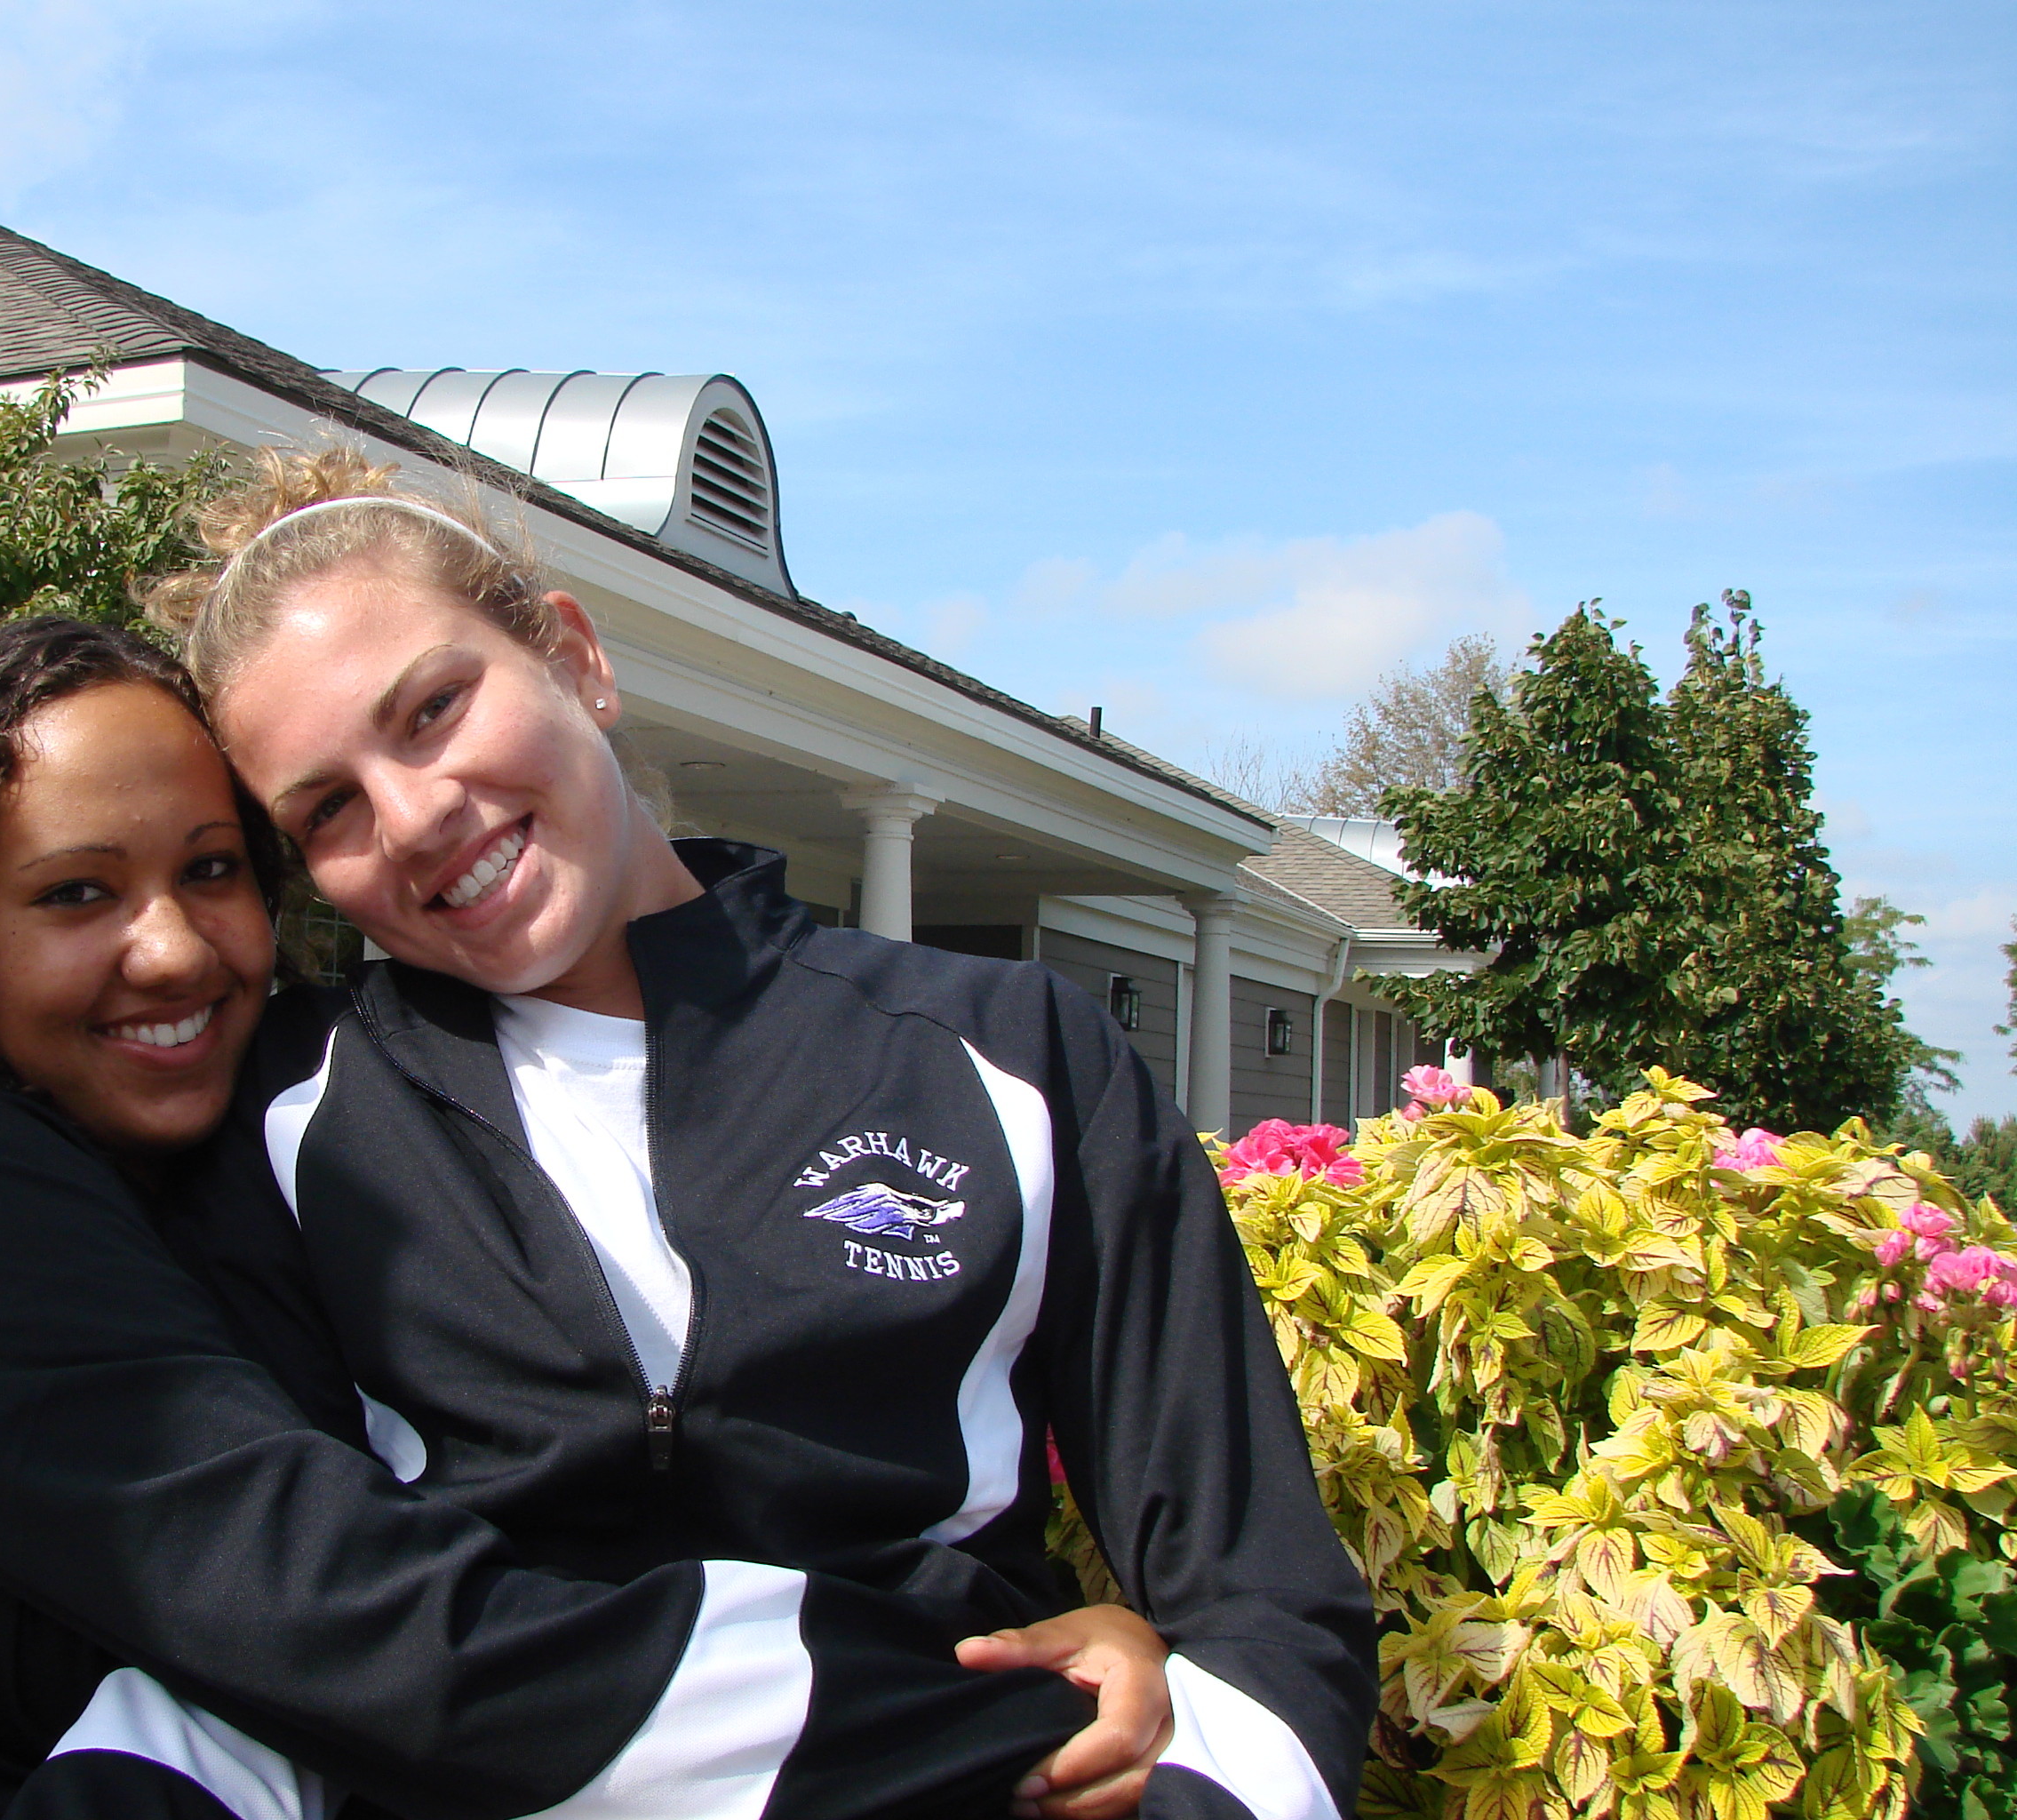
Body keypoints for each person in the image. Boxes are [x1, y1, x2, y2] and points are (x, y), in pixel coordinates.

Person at [0, 616, 1158, 1820]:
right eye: (77, 894)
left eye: (212, 870)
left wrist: (1018, 1620)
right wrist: (1004, 1711)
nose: (174, 950)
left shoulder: (222, 1177)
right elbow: (368, 1628)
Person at [154, 451, 1381, 1820]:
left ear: (575, 657)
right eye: (326, 807)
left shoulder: (1013, 1056)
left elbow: (1270, 1617)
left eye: (434, 708)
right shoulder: (281, 1116)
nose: (414, 814)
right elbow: (262, 1627)